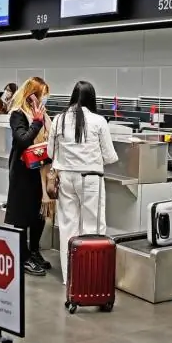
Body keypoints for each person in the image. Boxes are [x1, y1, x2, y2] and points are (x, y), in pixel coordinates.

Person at [47, 81, 118, 285]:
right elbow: (110, 156)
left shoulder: (58, 119)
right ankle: (90, 276)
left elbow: (51, 152)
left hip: (65, 177)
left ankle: (70, 277)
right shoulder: (98, 121)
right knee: (92, 226)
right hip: (90, 178)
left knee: (68, 227)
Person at [4, 77, 53, 276]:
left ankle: (34, 251)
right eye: (42, 94)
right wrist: (37, 122)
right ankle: (22, 256)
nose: (44, 99)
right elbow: (23, 140)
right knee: (23, 215)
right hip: (23, 171)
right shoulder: (17, 114)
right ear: (31, 95)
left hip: (40, 171)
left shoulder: (42, 114)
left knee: (39, 214)